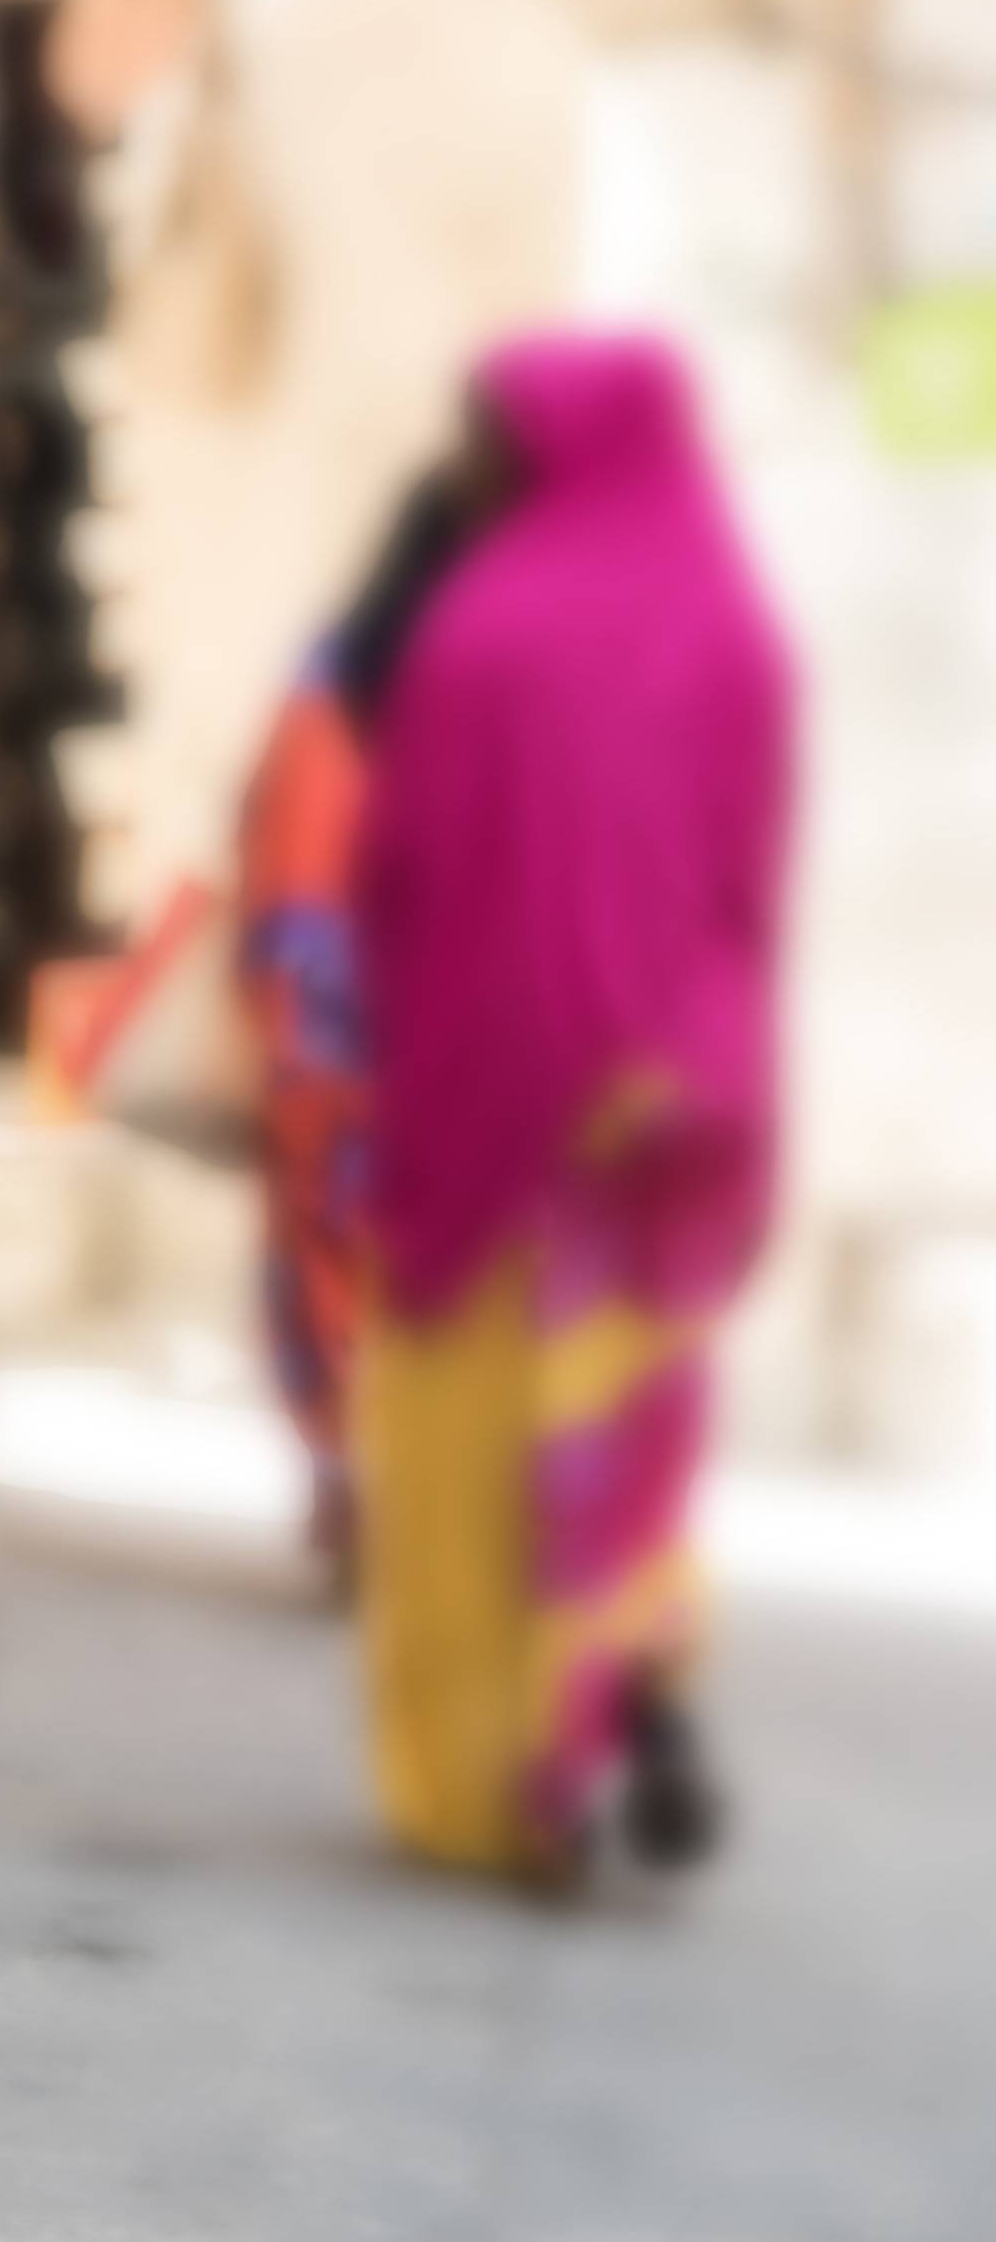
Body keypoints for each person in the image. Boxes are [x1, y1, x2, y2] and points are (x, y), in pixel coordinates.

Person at [351, 332, 795, 1886]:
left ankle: (489, 1784)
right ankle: (617, 1688)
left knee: (468, 1431)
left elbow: (396, 873)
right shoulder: (733, 629)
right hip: (664, 1111)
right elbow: (746, 888)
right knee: (624, 1412)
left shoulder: (475, 629)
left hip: (490, 1093)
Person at [231, 468, 481, 1580]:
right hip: (433, 1011)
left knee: (321, 1238)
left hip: (316, 1006)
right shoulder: (491, 677)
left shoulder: (331, 671)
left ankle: (346, 1479)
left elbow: (273, 825)